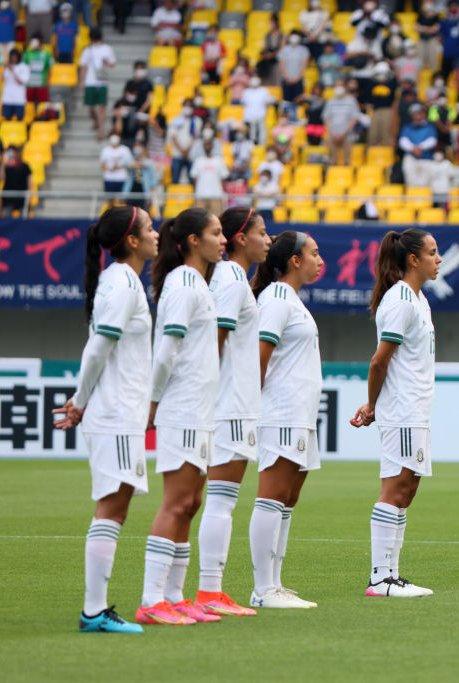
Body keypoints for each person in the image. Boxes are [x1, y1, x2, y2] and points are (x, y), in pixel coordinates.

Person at [52, 206, 158, 634]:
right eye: (149, 227)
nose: (156, 233)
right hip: (114, 413)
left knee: (117, 505)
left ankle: (95, 610)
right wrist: (80, 401)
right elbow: (98, 347)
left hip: (120, 412)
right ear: (131, 240)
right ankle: (93, 611)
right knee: (112, 506)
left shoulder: (122, 281)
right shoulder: (123, 284)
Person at [138, 208, 226, 626]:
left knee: (192, 503)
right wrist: (153, 402)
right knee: (176, 502)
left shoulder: (197, 284)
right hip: (182, 408)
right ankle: (151, 599)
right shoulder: (183, 284)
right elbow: (166, 351)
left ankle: (174, 596)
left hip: (200, 410)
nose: (223, 240)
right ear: (193, 240)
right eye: (216, 232)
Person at [183, 208, 268, 617]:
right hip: (230, 404)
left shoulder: (231, 278)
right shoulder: (232, 279)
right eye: (261, 232)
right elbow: (215, 339)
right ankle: (209, 591)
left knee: (219, 500)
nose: (267, 239)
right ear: (240, 238)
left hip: (233, 403)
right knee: (221, 500)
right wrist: (210, 394)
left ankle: (210, 590)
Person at [351, 229, 441, 598]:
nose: (438, 259)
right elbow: (379, 361)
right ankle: (380, 579)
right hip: (402, 408)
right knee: (395, 488)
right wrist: (372, 404)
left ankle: (392, 574)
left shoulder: (418, 299)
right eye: (432, 252)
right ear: (413, 260)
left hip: (415, 408)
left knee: (408, 488)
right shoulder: (401, 300)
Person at [246, 231, 324, 609]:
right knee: (272, 495)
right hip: (281, 412)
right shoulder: (277, 297)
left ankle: (274, 583)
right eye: (314, 253)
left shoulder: (291, 299)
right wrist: (253, 407)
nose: (319, 260)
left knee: (287, 499)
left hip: (300, 414)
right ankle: (263, 589)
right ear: (295, 260)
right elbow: (259, 357)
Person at [79, 29, 116, 141]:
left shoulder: (107, 49)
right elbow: (84, 67)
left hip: (102, 81)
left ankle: (100, 131)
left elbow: (112, 64)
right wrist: (82, 81)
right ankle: (96, 121)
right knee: (90, 107)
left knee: (101, 107)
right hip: (90, 81)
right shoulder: (87, 50)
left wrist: (107, 63)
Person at [399, 103, 439, 188]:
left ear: (424, 114)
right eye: (414, 114)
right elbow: (402, 141)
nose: (417, 116)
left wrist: (420, 147)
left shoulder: (430, 127)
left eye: (419, 113)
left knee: (426, 184)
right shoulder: (407, 127)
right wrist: (413, 149)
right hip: (411, 158)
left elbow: (432, 141)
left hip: (426, 158)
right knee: (411, 183)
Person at [191, 142, 228, 215]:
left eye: (209, 144)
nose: (207, 146)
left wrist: (222, 192)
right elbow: (194, 177)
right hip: (201, 195)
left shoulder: (219, 160)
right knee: (199, 218)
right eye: (205, 144)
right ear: (203, 147)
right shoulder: (198, 160)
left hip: (216, 196)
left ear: (212, 146)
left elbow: (224, 178)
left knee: (217, 217)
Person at [0, 145, 34, 217]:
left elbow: (30, 180)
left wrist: (29, 193)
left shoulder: (24, 166)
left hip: (21, 196)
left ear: (17, 153)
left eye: (12, 152)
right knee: (6, 219)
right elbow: (2, 178)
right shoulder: (5, 166)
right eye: (9, 153)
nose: (11, 155)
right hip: (8, 196)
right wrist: (3, 164)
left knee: (23, 219)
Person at [279, 31, 310, 111]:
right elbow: (282, 64)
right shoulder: (284, 49)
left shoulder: (303, 50)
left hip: (298, 80)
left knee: (298, 101)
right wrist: (287, 77)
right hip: (286, 80)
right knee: (286, 101)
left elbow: (304, 65)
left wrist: (297, 78)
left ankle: (297, 115)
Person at [240, 77, 276, 147]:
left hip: (260, 116)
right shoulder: (246, 91)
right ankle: (251, 145)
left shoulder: (264, 91)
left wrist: (272, 99)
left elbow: (269, 101)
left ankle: (262, 146)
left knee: (262, 132)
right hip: (249, 117)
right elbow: (243, 102)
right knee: (251, 134)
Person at [439, 0, 459, 78]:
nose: (453, 8)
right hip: (447, 52)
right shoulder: (445, 21)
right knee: (445, 74)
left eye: (455, 6)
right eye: (452, 6)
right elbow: (440, 36)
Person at [0, 49, 29, 121]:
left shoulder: (24, 67)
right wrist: (4, 68)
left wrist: (12, 70)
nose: (14, 59)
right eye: (12, 57)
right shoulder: (7, 67)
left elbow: (20, 82)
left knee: (20, 119)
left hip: (19, 99)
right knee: (7, 119)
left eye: (15, 57)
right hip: (7, 98)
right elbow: (3, 79)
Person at [23, 35, 52, 104]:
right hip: (30, 84)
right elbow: (24, 68)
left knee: (43, 104)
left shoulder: (46, 54)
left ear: (40, 42)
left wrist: (48, 81)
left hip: (41, 84)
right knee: (28, 104)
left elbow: (49, 69)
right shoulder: (27, 53)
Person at [416, 2, 441, 72]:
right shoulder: (421, 16)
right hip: (422, 39)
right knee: (420, 58)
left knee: (432, 58)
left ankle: (433, 74)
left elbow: (435, 29)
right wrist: (429, 29)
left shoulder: (436, 17)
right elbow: (417, 28)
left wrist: (423, 28)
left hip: (432, 39)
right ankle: (420, 74)